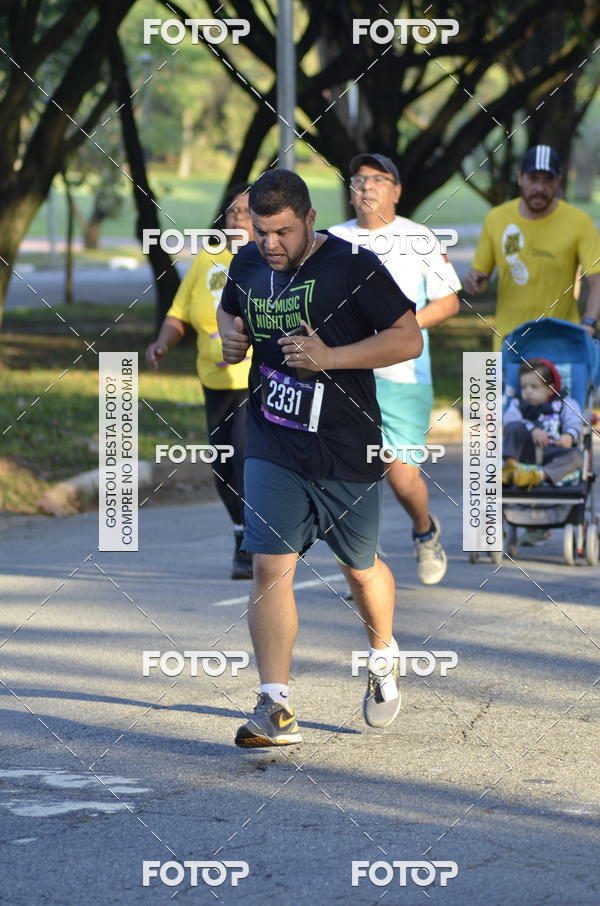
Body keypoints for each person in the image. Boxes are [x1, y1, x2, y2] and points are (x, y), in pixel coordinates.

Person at [217, 169, 422, 747]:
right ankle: (275, 706)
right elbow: (230, 312)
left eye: (282, 231)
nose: (270, 244)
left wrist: (332, 356)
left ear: (310, 219)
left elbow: (409, 337)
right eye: (260, 231)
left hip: (344, 444)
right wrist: (230, 337)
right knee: (268, 566)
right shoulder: (249, 263)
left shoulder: (352, 267)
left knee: (359, 569)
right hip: (272, 436)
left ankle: (383, 653)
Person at [329, 154, 460, 585]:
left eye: (377, 180)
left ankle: (425, 532)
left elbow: (449, 302)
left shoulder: (418, 238)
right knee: (351, 471)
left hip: (403, 376)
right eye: (358, 179)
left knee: (401, 476)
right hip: (344, 374)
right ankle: (364, 564)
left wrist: (400, 330)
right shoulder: (329, 239)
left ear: (397, 190)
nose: (366, 187)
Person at [145, 184, 254, 579]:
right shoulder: (208, 258)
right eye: (231, 211)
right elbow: (180, 313)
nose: (236, 217)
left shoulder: (268, 262)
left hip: (253, 379)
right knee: (223, 466)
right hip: (213, 381)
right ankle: (242, 532)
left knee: (242, 459)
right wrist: (162, 342)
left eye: (245, 210)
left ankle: (255, 544)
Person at [465, 145, 600, 350]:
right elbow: (479, 277)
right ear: (520, 178)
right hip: (507, 342)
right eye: (533, 178)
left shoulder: (579, 222)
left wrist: (589, 322)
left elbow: (598, 281)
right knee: (479, 379)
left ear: (559, 181)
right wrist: (475, 281)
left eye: (548, 179)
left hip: (561, 345)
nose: (539, 187)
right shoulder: (496, 218)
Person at [502, 358, 583, 488]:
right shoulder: (518, 404)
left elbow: (575, 422)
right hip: (525, 452)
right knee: (513, 426)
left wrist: (569, 436)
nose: (527, 391)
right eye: (523, 387)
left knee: (576, 456)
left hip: (552, 451)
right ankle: (510, 469)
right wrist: (532, 430)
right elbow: (509, 422)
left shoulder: (564, 403)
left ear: (550, 389)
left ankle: (537, 476)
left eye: (534, 387)